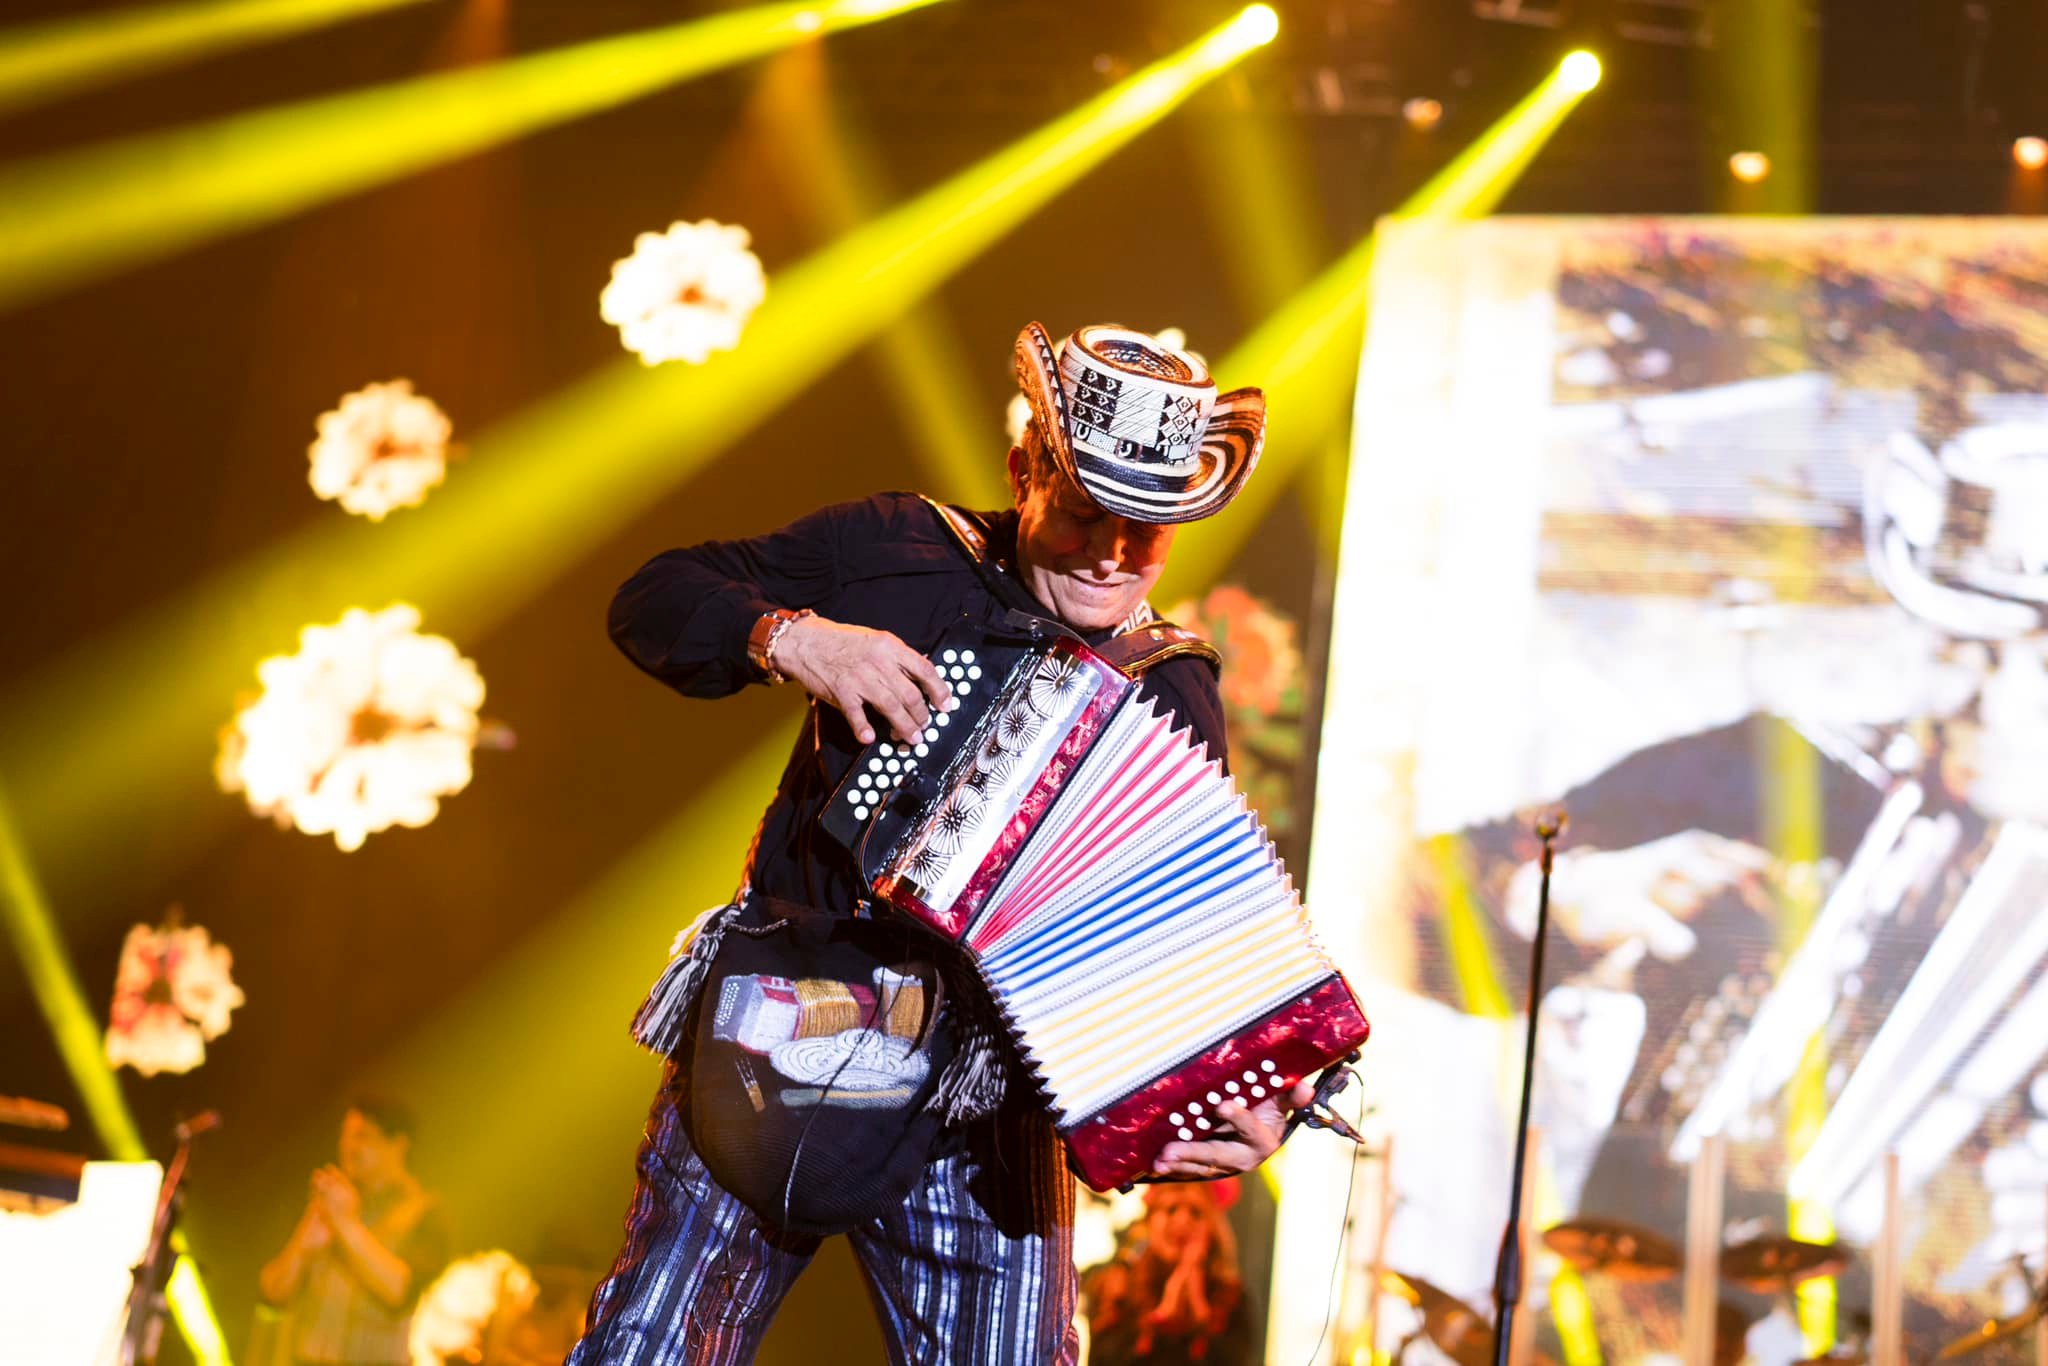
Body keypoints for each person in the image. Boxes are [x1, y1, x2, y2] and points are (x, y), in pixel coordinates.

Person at [569, 323, 1320, 1365]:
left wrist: (1247, 1084)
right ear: (1024, 471)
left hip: (983, 1097)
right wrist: (794, 636)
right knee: (646, 1349)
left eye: (1146, 528)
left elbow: (1165, 943)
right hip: (785, 1019)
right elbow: (651, 597)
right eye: (1088, 512)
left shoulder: (1170, 683)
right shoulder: (895, 549)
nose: (1112, 553)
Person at [258, 1095, 452, 1366]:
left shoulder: (425, 1216)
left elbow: (400, 1292)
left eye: (363, 1136)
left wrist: (346, 1225)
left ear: (398, 1144)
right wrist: (302, 1245)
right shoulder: (324, 1201)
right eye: (345, 1136)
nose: (348, 1147)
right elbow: (271, 1294)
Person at [1083, 1180, 1253, 1365]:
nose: (1182, 1221)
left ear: (1212, 1227)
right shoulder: (1115, 1287)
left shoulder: (1231, 1296)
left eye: (1195, 1213)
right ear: (1149, 1220)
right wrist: (1160, 1319)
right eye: (1171, 1209)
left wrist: (1198, 1310)